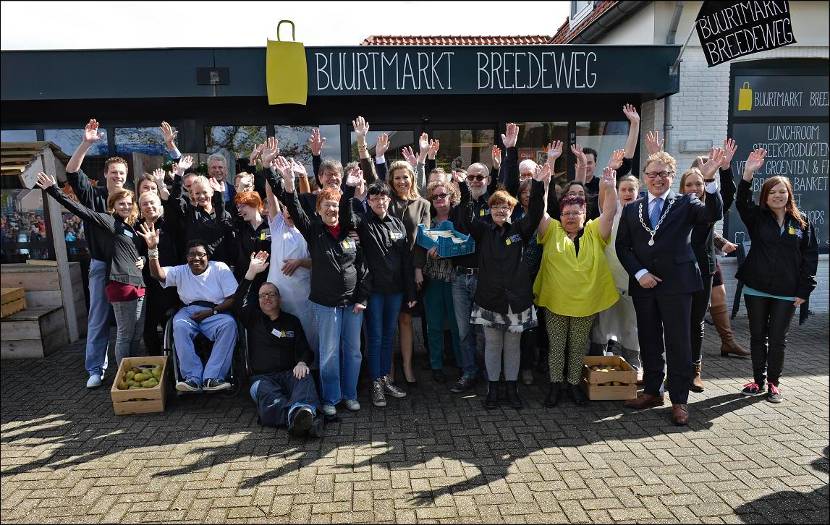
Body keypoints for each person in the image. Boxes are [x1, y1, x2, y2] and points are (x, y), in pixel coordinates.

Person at [616, 150, 723, 426]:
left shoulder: (686, 202)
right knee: (649, 340)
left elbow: (712, 213)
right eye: (652, 174)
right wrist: (640, 273)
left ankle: (679, 400)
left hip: (677, 285)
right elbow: (623, 247)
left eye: (663, 174)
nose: (657, 179)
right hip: (644, 286)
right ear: (645, 177)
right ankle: (653, 392)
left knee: (678, 343)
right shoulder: (632, 208)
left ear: (672, 176)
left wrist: (710, 180)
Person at [271, 156, 367, 417]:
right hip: (326, 305)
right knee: (329, 354)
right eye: (327, 206)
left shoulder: (349, 232)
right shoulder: (314, 232)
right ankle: (331, 398)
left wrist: (362, 299)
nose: (332, 210)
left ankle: (350, 395)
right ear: (319, 210)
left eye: (335, 205)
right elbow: (293, 206)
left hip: (353, 304)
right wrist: (288, 182)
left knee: (353, 352)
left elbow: (363, 268)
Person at [36, 172, 146, 371]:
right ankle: (125, 375)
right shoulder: (107, 220)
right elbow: (80, 209)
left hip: (138, 284)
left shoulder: (130, 227)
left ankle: (133, 371)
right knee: (124, 334)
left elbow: (137, 252)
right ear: (113, 206)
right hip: (121, 283)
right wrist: (53, 190)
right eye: (121, 203)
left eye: (129, 203)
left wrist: (144, 259)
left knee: (136, 333)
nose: (126, 206)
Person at [461, 160, 548, 409]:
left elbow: (536, 211)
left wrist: (538, 184)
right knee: (492, 345)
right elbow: (466, 217)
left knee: (512, 346)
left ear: (512, 209)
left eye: (505, 206)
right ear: (489, 210)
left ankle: (511, 388)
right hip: (489, 298)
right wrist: (467, 189)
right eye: (495, 206)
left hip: (516, 299)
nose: (500, 210)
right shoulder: (483, 230)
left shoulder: (521, 229)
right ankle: (493, 389)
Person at [736, 149, 818, 403]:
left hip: (787, 290)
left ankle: (773, 384)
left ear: (789, 194)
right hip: (756, 287)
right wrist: (748, 174)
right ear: (765, 196)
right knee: (757, 336)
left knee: (778, 339)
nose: (777, 195)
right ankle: (757, 380)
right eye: (772, 192)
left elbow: (810, 257)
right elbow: (741, 202)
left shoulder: (802, 222)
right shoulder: (757, 218)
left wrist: (804, 290)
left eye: (782, 191)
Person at [534, 166, 620, 407]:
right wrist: (544, 184)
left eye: (576, 213)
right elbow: (539, 211)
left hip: (585, 304)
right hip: (555, 303)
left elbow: (610, 213)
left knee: (577, 346)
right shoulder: (551, 230)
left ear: (584, 214)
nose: (570, 217)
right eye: (566, 213)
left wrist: (610, 188)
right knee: (556, 346)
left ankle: (572, 384)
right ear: (560, 216)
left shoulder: (594, 231)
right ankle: (555, 385)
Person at [236, 251, 324, 437]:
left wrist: (302, 362)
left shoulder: (292, 321)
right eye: (262, 296)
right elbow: (238, 302)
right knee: (268, 395)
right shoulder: (252, 319)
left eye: (271, 294)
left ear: (279, 298)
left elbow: (305, 350)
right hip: (262, 379)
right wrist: (251, 272)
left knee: (305, 376)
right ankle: (301, 417)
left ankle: (300, 415)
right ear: (258, 301)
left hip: (289, 375)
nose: (267, 298)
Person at [140, 229, 239, 393]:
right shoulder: (181, 270)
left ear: (208, 256)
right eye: (191, 255)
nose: (196, 258)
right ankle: (192, 378)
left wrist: (211, 312)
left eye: (201, 254)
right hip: (188, 312)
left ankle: (212, 378)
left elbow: (233, 298)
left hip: (215, 311)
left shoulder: (219, 268)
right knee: (179, 325)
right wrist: (152, 250)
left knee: (229, 325)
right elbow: (157, 274)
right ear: (186, 258)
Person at [64, 119, 123, 388]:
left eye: (121, 173)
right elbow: (72, 172)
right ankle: (96, 369)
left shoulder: (129, 201)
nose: (118, 177)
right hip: (101, 265)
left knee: (129, 320)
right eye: (114, 173)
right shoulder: (93, 196)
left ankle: (129, 364)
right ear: (106, 174)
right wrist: (86, 144)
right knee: (98, 318)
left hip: (127, 268)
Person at [349, 180, 415, 407]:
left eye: (383, 197)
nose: (379, 202)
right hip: (374, 291)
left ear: (389, 199)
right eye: (374, 198)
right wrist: (352, 190)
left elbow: (406, 260)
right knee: (375, 337)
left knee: (389, 336)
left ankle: (386, 379)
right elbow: (347, 217)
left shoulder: (398, 224)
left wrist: (411, 292)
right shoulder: (362, 223)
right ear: (368, 201)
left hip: (396, 291)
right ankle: (375, 382)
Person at [448, 161, 492, 394]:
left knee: (484, 331)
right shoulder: (457, 208)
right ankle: (469, 372)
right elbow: (454, 236)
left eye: (479, 177)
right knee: (464, 331)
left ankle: (488, 373)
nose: (475, 181)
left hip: (484, 277)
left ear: (488, 180)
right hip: (459, 278)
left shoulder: (494, 205)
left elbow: (480, 233)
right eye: (471, 177)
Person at [593, 173, 642, 376]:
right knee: (602, 324)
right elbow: (603, 200)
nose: (627, 193)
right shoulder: (610, 214)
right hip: (607, 279)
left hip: (632, 281)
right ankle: (597, 364)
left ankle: (633, 363)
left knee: (631, 324)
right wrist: (608, 185)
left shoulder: (644, 215)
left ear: (638, 192)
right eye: (623, 189)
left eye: (631, 189)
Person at [263, 179, 317, 354]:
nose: (289, 212)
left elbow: (318, 262)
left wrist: (300, 262)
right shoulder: (277, 225)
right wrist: (268, 169)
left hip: (303, 297)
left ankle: (309, 367)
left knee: (308, 337)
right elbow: (270, 195)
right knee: (282, 338)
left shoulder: (309, 230)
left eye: (293, 208)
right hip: (279, 296)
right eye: (286, 208)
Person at [416, 180, 462, 383]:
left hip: (456, 280)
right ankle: (436, 365)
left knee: (457, 326)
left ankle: (462, 364)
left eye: (443, 195)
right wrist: (427, 256)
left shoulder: (459, 219)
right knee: (434, 325)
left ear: (451, 197)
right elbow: (418, 248)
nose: (439, 199)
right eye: (434, 197)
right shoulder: (427, 221)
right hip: (433, 279)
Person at [135, 191, 181, 356]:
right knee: (149, 328)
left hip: (171, 284)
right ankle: (156, 360)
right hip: (147, 284)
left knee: (172, 325)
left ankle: (174, 361)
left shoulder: (169, 225)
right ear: (140, 208)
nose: (149, 206)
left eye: (152, 202)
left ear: (160, 206)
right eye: (145, 204)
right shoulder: (136, 229)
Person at [233, 191, 271, 282]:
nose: (239, 210)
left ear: (255, 204)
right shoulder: (241, 227)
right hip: (244, 278)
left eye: (243, 206)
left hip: (265, 278)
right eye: (238, 207)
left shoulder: (268, 227)